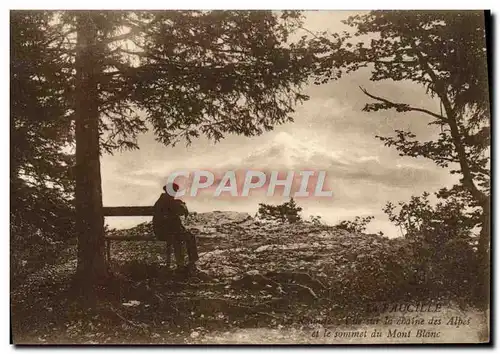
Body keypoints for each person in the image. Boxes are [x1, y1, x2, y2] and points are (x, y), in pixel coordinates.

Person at [152, 183, 199, 272]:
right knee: (179, 238)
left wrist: (180, 203)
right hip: (163, 232)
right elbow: (174, 216)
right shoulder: (166, 202)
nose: (174, 193)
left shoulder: (165, 201)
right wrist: (181, 204)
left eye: (175, 191)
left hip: (167, 231)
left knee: (188, 236)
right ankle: (183, 264)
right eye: (173, 191)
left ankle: (188, 263)